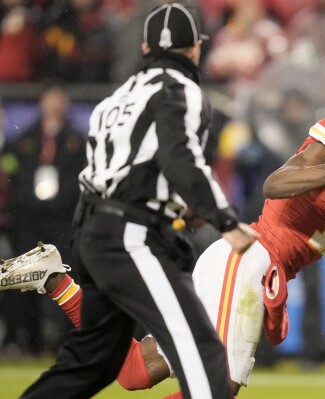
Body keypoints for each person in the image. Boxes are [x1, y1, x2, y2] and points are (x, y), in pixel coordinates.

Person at [1, 74, 325, 398]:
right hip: (250, 259)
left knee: (138, 373)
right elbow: (278, 184)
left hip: (251, 266)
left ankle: (53, 278)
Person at [10, 3, 258, 399]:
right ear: (195, 48)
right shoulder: (183, 90)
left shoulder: (113, 101)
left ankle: (57, 280)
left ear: (145, 46)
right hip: (131, 236)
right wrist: (225, 221)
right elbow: (181, 159)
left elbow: (113, 172)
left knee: (96, 366)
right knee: (205, 356)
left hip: (91, 230)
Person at [0, 84, 86, 356]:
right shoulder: (25, 139)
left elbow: (82, 177)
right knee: (23, 277)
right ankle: (26, 338)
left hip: (62, 219)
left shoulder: (77, 140)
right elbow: (11, 171)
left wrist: (62, 201)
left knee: (64, 276)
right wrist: (26, 200)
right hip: (29, 218)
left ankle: (66, 340)